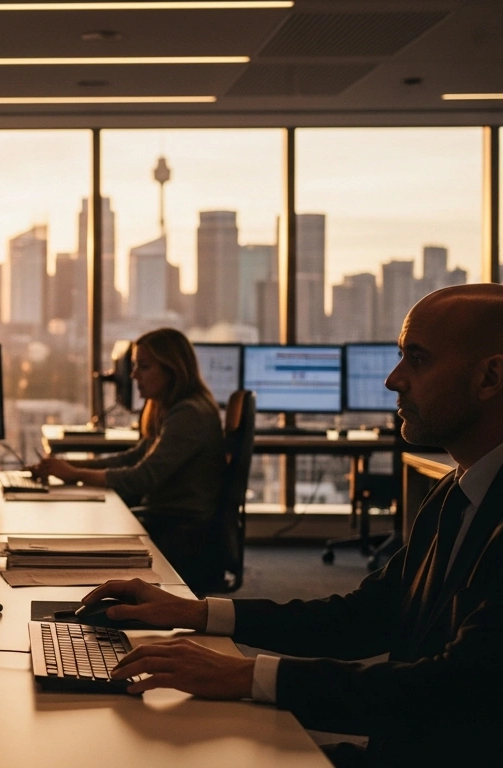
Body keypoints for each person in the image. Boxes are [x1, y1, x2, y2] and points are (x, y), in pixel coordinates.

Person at [84, 284, 503, 767]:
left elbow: (459, 693)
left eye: (418, 359)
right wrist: (197, 613)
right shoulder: (454, 493)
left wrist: (246, 677)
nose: (392, 380)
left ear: (490, 376)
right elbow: (364, 617)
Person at [31, 327, 226, 592]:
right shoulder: (170, 406)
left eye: (143, 367)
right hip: (168, 521)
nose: (133, 375)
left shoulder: (189, 414)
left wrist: (75, 474)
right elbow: (136, 457)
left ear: (172, 369)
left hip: (181, 533)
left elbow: (142, 477)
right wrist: (69, 469)